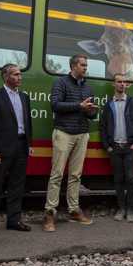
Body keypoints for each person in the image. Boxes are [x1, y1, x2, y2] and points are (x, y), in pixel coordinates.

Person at [43, 54, 98, 232]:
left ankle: (74, 210)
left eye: (86, 65)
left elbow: (92, 115)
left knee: (75, 175)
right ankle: (50, 213)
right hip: (63, 133)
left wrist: (91, 111)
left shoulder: (88, 88)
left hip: (82, 134)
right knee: (57, 174)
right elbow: (55, 105)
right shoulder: (61, 83)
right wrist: (79, 106)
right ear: (73, 66)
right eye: (83, 65)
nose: (85, 68)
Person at [0, 63, 33, 237]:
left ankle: (14, 220)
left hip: (21, 146)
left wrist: (29, 144)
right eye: (15, 74)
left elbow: (27, 123)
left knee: (17, 186)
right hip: (2, 148)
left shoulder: (25, 97)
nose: (20, 77)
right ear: (5, 76)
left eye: (20, 74)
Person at [100, 74, 133, 222]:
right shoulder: (108, 105)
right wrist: (107, 147)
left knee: (130, 178)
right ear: (114, 84)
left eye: (124, 82)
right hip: (115, 148)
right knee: (118, 179)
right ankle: (121, 208)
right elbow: (103, 127)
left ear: (127, 85)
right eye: (119, 81)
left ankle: (131, 209)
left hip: (129, 147)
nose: (122, 84)